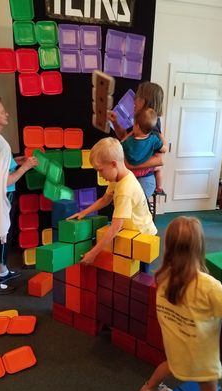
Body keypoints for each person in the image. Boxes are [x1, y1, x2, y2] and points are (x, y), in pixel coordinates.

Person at [139, 216, 222, 391]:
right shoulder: (208, 286)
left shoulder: (162, 276)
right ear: (199, 247)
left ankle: (149, 388)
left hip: (176, 350)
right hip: (201, 361)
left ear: (168, 246)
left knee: (171, 365)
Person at [67, 137, 157, 265]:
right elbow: (105, 199)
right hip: (130, 232)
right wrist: (84, 212)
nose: (100, 175)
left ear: (113, 164)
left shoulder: (125, 190)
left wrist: (93, 253)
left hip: (142, 236)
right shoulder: (118, 178)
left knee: (137, 275)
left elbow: (115, 227)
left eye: (101, 170)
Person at [0, 96, 38, 294]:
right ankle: (0, 276)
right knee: (3, 235)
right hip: (4, 196)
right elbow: (5, 180)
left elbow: (1, 167)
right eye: (2, 111)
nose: (6, 114)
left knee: (3, 235)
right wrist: (26, 167)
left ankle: (3, 270)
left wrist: (16, 161)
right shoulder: (2, 145)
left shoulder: (0, 143)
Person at [108, 81, 166, 198]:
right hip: (133, 177)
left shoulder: (151, 126)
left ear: (146, 101)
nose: (134, 100)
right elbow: (125, 138)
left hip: (142, 179)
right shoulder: (139, 119)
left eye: (138, 97)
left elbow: (159, 160)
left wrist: (129, 165)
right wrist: (115, 122)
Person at [121, 107, 167, 198]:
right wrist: (162, 137)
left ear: (137, 126)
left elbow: (120, 144)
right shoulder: (154, 139)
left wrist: (129, 135)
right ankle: (159, 187)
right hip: (145, 172)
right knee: (159, 168)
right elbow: (164, 149)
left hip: (131, 173)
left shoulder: (128, 142)